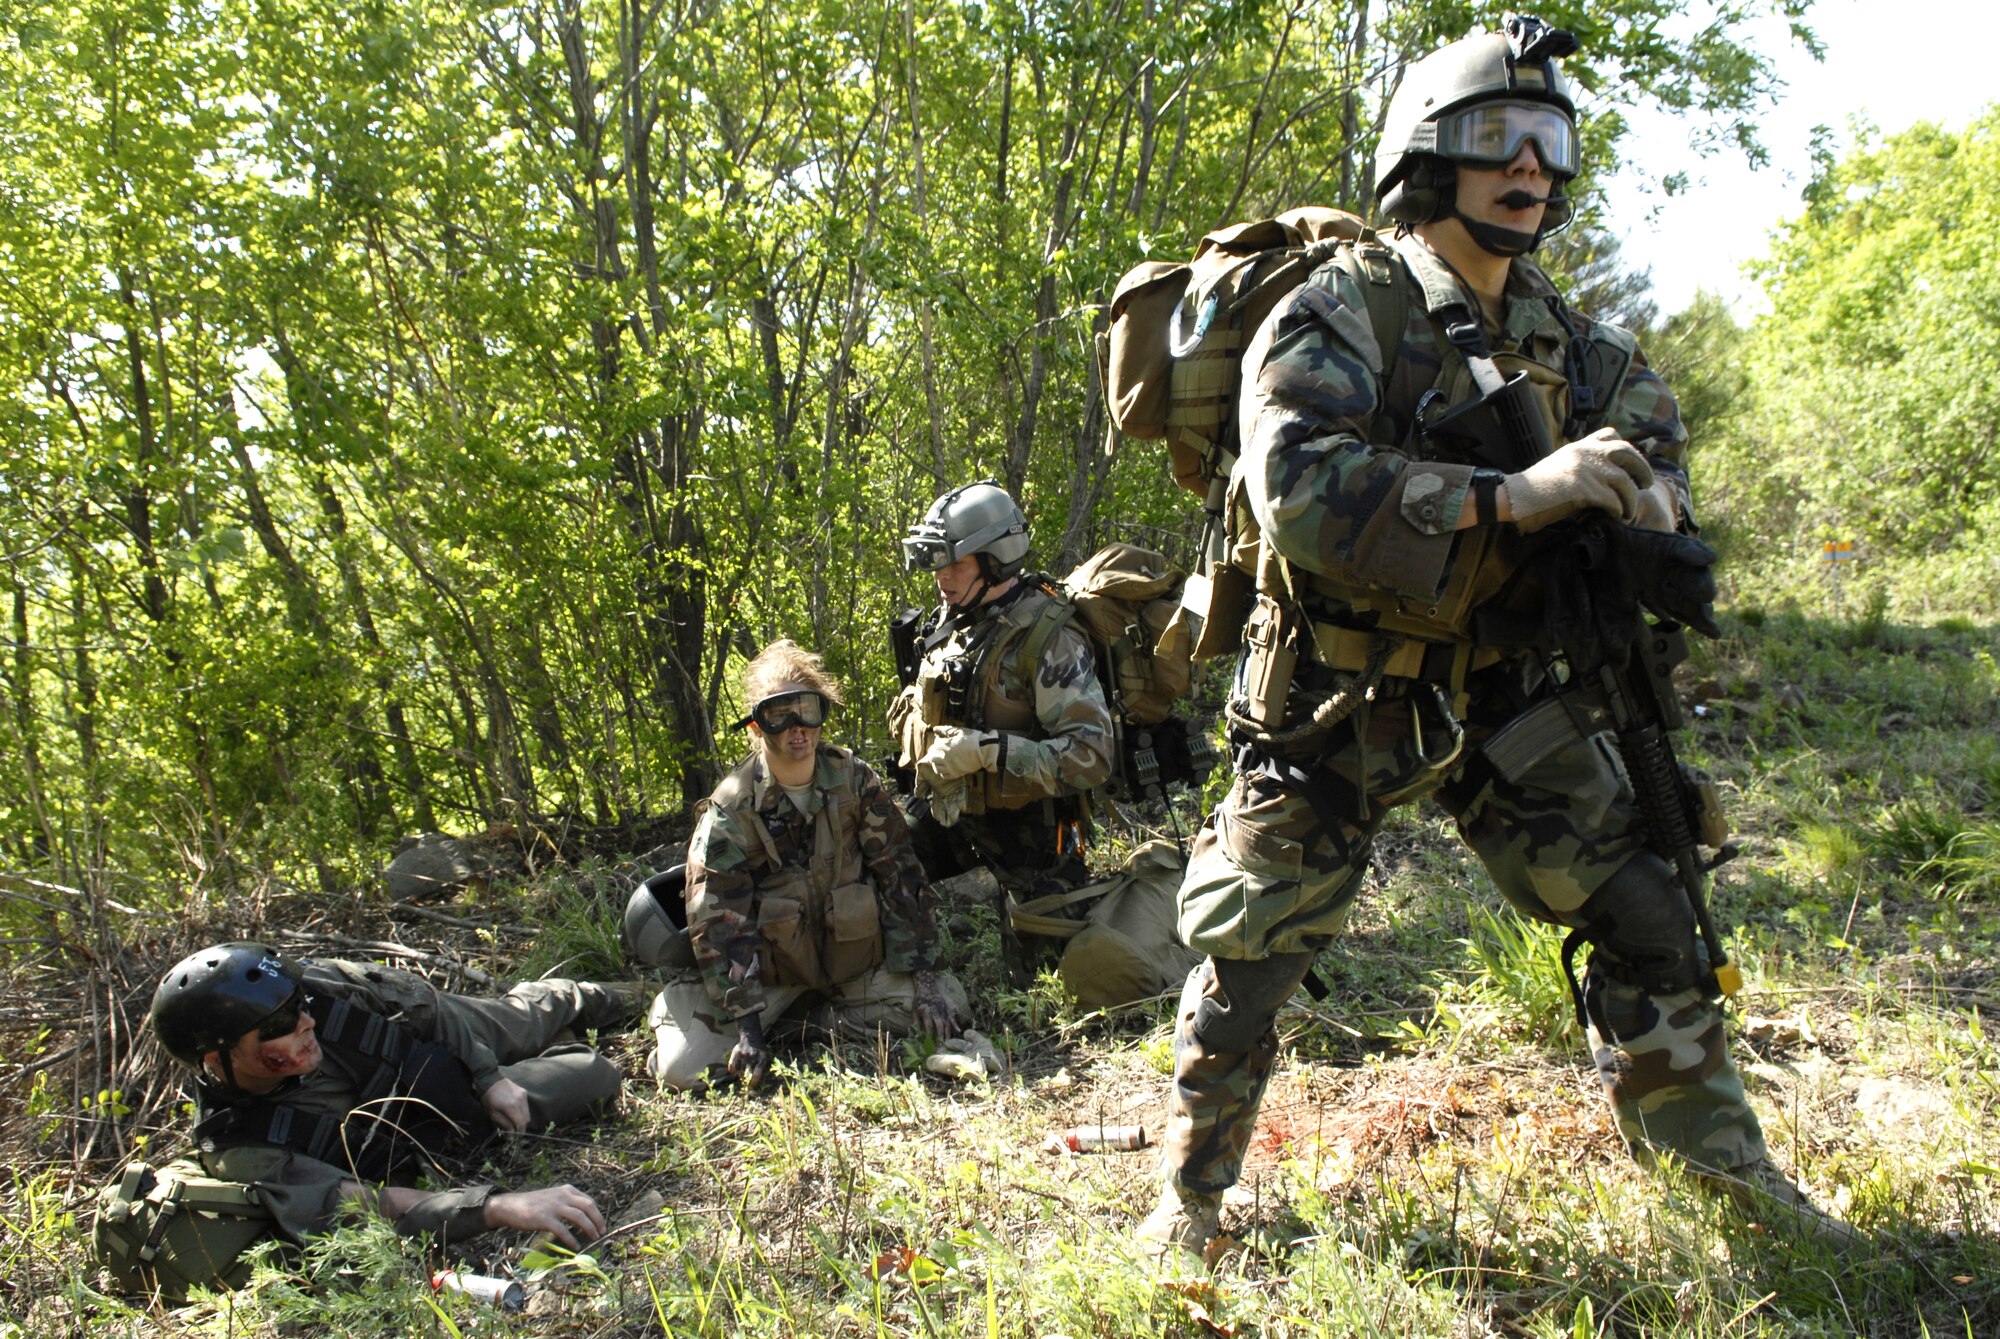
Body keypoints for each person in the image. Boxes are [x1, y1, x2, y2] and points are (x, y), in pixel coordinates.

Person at [1138, 15, 1848, 1255]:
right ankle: (1189, 1202)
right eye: (1492, 142)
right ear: (1426, 159)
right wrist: (1510, 496)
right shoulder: (1341, 307)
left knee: (1647, 903)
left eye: (1545, 143)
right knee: (1249, 953)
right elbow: (1295, 484)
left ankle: (1728, 1178)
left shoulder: (1573, 340)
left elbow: (1654, 453)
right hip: (1337, 696)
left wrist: (1650, 517)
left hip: (1511, 687)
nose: (1526, 169)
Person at [148, 942, 637, 1249]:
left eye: (298, 1005)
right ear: (218, 1060)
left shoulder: (324, 988)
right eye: (278, 1025)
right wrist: (496, 1207)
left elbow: (428, 1005)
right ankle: (562, 1049)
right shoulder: (244, 1145)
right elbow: (364, 1204)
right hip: (443, 1122)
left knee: (528, 1018)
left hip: (440, 1049)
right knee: (592, 1074)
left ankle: (637, 993)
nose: (307, 1022)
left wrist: (491, 1078)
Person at [646, 638, 968, 1090]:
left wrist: (926, 984)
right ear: (758, 727)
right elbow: (720, 923)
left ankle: (812, 1021)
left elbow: (900, 874)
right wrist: (749, 1032)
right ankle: (682, 1005)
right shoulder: (731, 812)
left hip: (850, 966)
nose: (798, 729)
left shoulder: (854, 781)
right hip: (772, 978)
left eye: (808, 711)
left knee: (950, 1008)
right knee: (684, 1070)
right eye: (781, 715)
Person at [893, 481, 1115, 889]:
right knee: (877, 868)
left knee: (1051, 949)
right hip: (954, 812)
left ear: (995, 559)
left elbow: (1092, 757)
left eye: (956, 562)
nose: (942, 576)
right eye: (938, 563)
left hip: (1035, 836)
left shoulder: (1050, 641)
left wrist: (986, 751)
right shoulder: (954, 619)